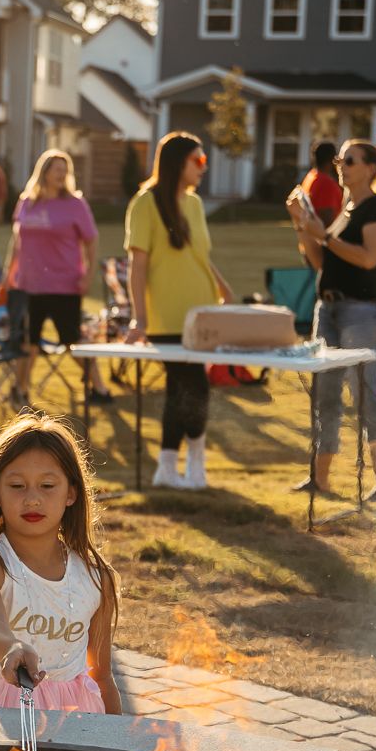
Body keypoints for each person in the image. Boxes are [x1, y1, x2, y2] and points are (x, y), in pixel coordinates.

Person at [0, 412, 123, 714]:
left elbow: (102, 675)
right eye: (17, 486)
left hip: (76, 716)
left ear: (71, 493)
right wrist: (10, 648)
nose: (32, 499)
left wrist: (120, 744)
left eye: (47, 486)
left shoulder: (95, 577)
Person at [286, 139, 376, 498]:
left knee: (365, 393)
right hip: (330, 307)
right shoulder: (347, 209)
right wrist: (303, 225)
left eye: (349, 160)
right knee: (326, 395)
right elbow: (321, 262)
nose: (341, 165)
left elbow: (367, 259)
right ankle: (320, 480)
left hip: (362, 309)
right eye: (339, 159)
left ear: (371, 167)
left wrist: (322, 233)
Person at [123, 131, 233, 490]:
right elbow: (137, 266)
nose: (204, 167)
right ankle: (183, 466)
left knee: (187, 387)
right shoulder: (145, 203)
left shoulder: (195, 204)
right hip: (167, 317)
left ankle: (173, 467)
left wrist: (222, 287)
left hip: (203, 314)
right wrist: (139, 318)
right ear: (177, 163)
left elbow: (199, 256)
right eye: (198, 161)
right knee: (191, 386)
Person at [0, 149, 110, 406]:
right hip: (29, 284)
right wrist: (8, 275)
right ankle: (20, 390)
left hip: (64, 284)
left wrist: (88, 274)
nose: (61, 174)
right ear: (44, 171)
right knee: (28, 341)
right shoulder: (27, 202)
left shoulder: (75, 204)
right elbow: (17, 242)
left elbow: (91, 241)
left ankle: (100, 389)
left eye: (65, 170)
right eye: (56, 169)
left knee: (72, 340)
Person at [301, 142, 344, 227]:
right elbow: (327, 219)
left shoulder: (311, 176)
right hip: (322, 237)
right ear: (333, 160)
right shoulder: (327, 184)